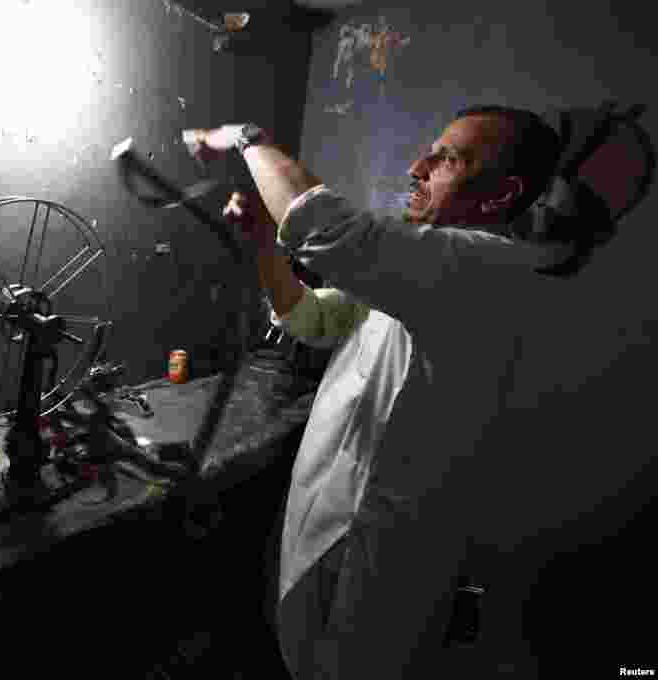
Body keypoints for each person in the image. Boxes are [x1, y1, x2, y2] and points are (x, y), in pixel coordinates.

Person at [186, 108, 609, 677]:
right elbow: (310, 318)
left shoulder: (481, 268)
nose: (417, 167)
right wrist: (265, 243)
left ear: (498, 194)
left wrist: (245, 137)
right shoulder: (421, 266)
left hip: (392, 548)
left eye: (447, 159)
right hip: (330, 509)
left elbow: (326, 227)